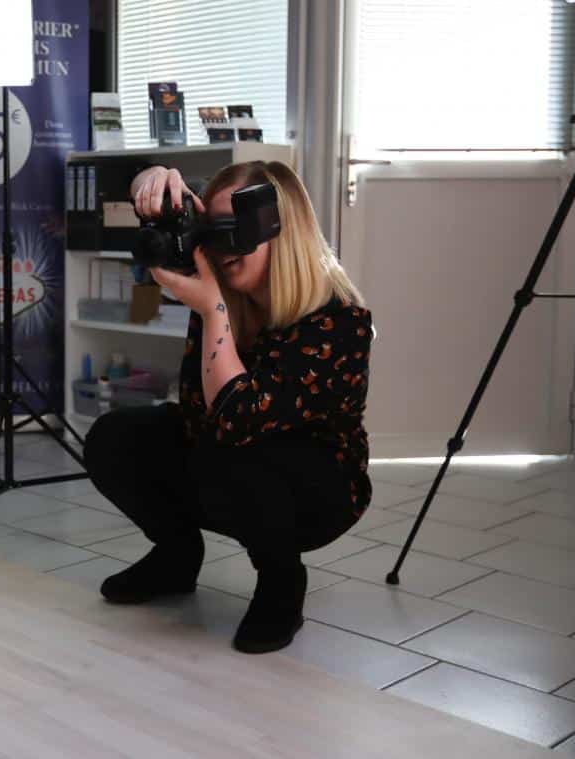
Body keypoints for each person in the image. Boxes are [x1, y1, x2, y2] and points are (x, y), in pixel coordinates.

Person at [83, 160, 373, 654]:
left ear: (279, 231)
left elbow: (239, 418)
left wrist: (213, 310)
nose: (221, 247)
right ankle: (176, 557)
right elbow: (147, 194)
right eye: (211, 231)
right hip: (222, 452)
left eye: (233, 231)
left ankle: (281, 582)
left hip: (311, 485)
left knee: (237, 451)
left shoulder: (339, 320)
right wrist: (151, 181)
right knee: (115, 436)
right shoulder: (223, 286)